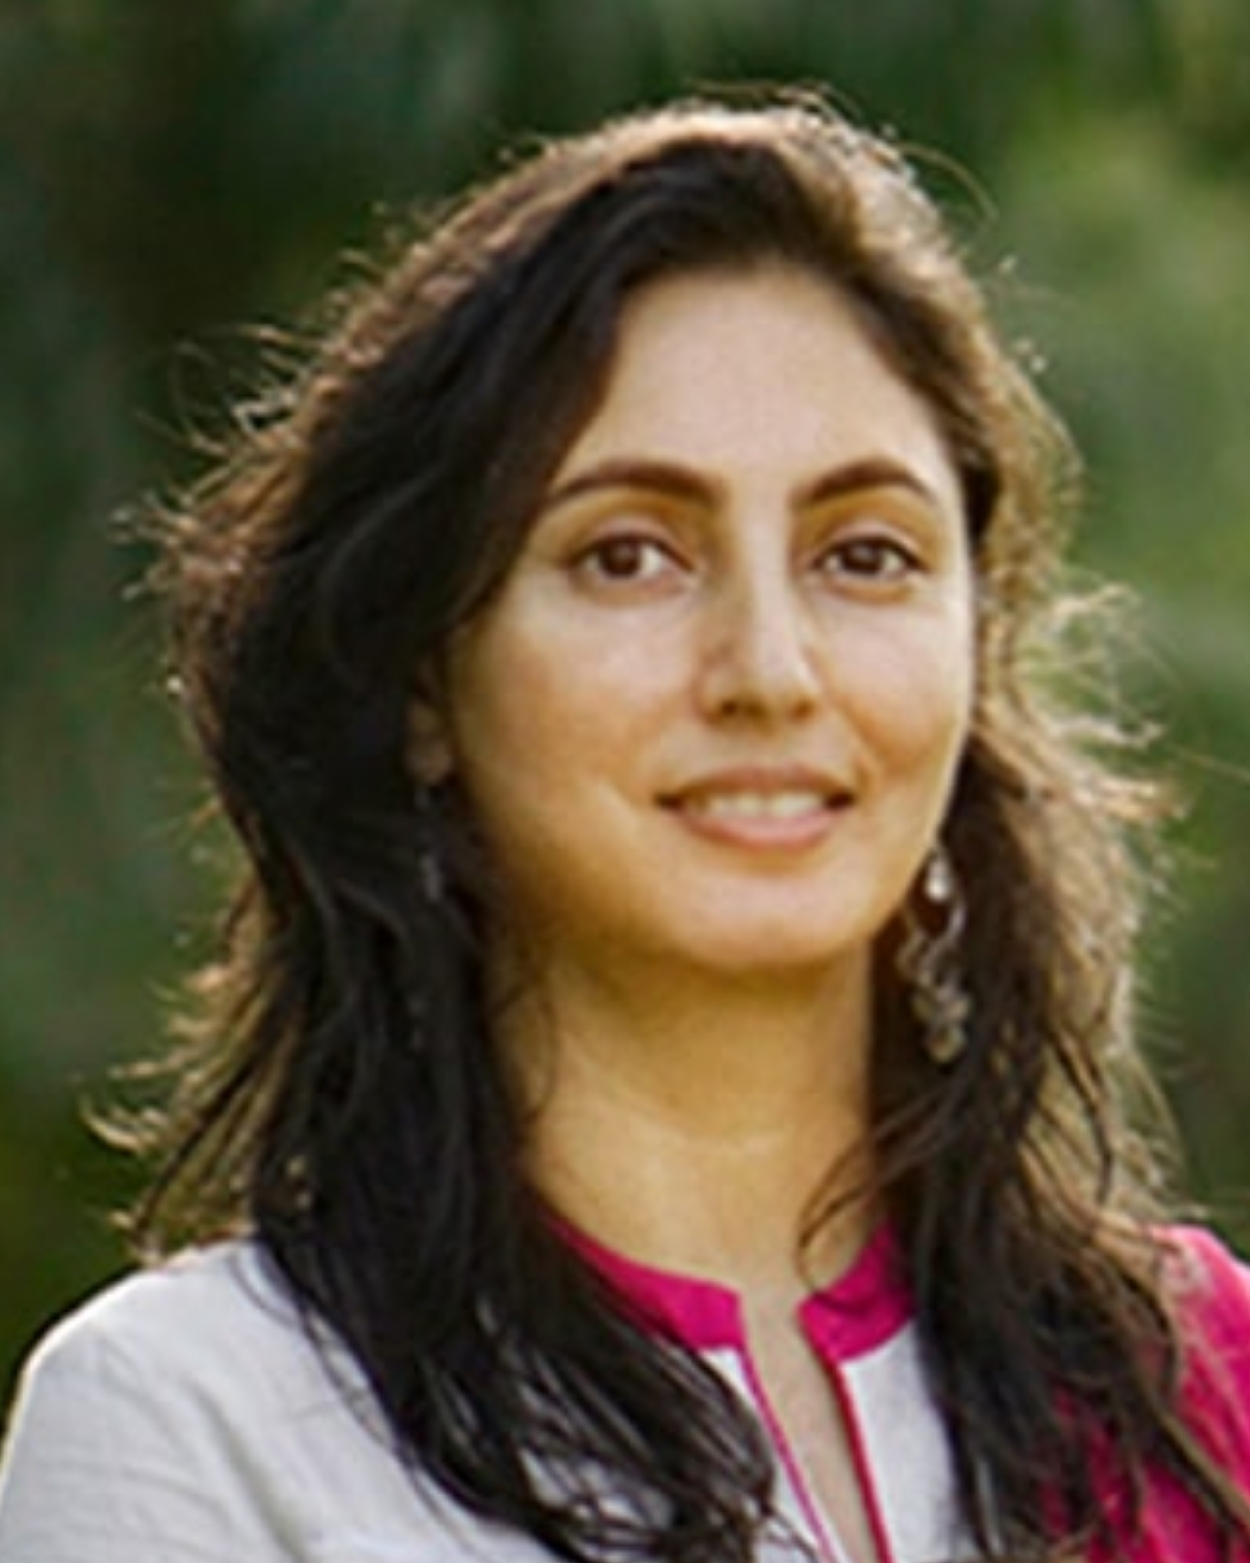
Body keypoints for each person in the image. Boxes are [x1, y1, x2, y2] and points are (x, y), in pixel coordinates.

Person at [1, 93, 1249, 1563]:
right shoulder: (196, 1423)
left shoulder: (1193, 1392)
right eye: (628, 555)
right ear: (425, 681)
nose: (771, 671)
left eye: (865, 554)